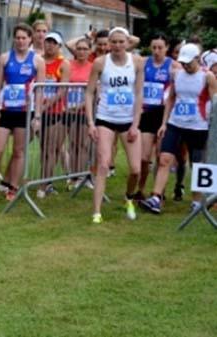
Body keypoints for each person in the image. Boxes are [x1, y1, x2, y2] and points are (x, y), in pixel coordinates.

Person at [140, 43, 217, 214]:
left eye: (189, 63)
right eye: (183, 62)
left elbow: (215, 101)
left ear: (197, 59)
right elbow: (171, 99)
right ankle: (156, 197)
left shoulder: (207, 76)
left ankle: (196, 201)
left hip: (198, 126)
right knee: (165, 159)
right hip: (175, 123)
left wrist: (213, 126)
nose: (185, 66)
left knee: (197, 164)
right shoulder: (176, 74)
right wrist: (164, 123)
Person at [85, 27, 144, 224]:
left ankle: (128, 198)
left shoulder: (136, 62)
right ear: (109, 44)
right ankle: (96, 212)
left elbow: (138, 94)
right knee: (103, 164)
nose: (117, 46)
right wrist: (91, 123)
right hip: (105, 118)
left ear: (127, 43)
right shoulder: (100, 62)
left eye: (121, 42)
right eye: (114, 42)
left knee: (135, 169)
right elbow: (89, 93)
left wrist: (136, 124)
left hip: (128, 120)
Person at [0, 23, 45, 201]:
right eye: (17, 38)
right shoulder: (4, 58)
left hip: (25, 111)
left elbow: (40, 90)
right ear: (14, 39)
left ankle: (13, 187)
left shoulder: (37, 61)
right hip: (5, 110)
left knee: (19, 151)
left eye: (24, 38)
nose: (20, 41)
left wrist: (38, 116)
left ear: (30, 40)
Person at [133, 33, 180, 201]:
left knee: (162, 156)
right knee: (144, 157)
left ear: (167, 48)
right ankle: (141, 189)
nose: (157, 51)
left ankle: (159, 192)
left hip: (163, 114)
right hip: (146, 113)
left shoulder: (173, 66)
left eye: (160, 47)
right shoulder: (143, 62)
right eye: (153, 47)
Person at [37, 31, 70, 198]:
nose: (49, 45)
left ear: (59, 46)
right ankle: (45, 180)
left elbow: (62, 89)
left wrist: (46, 105)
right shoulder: (38, 60)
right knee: (43, 148)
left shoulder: (63, 63)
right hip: (38, 111)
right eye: (47, 41)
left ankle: (45, 184)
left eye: (53, 42)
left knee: (51, 149)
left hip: (55, 112)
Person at [67, 38, 94, 190]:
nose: (82, 52)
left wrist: (81, 106)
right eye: (79, 49)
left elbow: (95, 91)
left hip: (85, 110)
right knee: (72, 143)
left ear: (90, 51)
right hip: (69, 110)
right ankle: (73, 175)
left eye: (85, 49)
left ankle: (82, 175)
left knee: (83, 144)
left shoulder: (93, 67)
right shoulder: (69, 64)